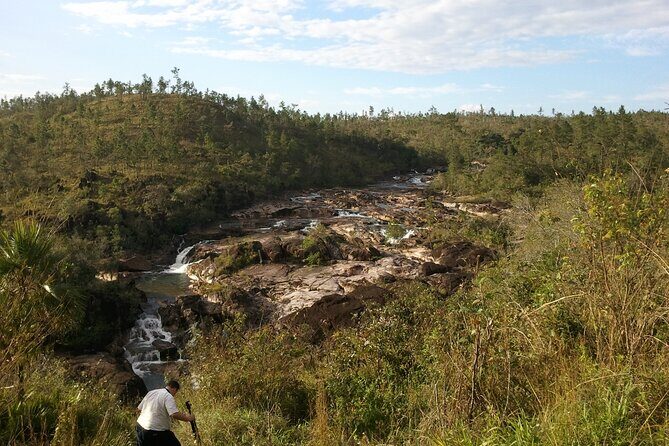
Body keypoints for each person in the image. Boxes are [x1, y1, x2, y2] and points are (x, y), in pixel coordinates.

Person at [136, 380, 195, 446]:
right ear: (174, 389)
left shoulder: (151, 392)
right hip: (155, 430)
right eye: (176, 392)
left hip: (140, 427)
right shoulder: (168, 396)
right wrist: (188, 418)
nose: (175, 394)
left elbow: (138, 409)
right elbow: (174, 414)